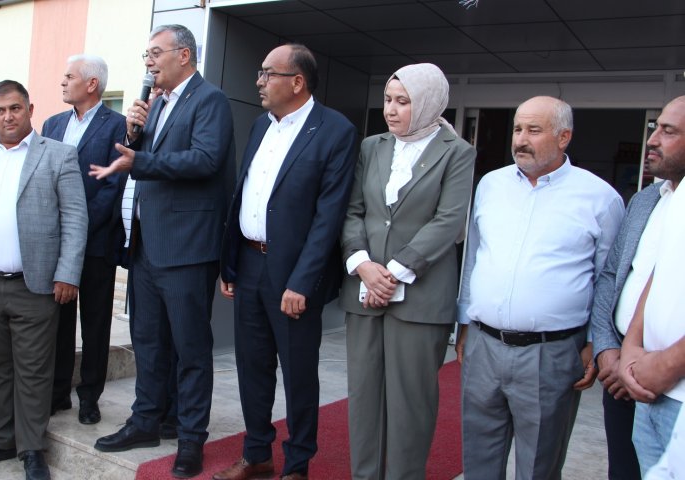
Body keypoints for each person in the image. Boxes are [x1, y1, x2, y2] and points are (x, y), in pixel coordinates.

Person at [90, 24, 234, 479]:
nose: (149, 62)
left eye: (156, 53)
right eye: (146, 55)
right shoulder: (157, 103)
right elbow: (144, 157)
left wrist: (141, 159)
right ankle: (146, 421)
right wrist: (135, 133)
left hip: (187, 247)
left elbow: (205, 160)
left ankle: (190, 438)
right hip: (146, 244)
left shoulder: (209, 100)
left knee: (190, 349)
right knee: (149, 341)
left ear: (184, 55)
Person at [456, 96, 625, 479]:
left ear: (564, 137)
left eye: (534, 130)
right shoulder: (491, 185)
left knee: (539, 467)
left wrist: (596, 343)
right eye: (518, 129)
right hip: (483, 346)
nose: (520, 139)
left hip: (551, 354)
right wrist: (464, 321)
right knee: (478, 460)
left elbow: (608, 280)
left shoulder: (600, 198)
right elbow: (474, 258)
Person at [213, 44, 357, 480]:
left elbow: (328, 216)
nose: (258, 81)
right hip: (249, 265)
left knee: (298, 374)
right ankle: (257, 454)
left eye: (267, 73)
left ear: (297, 82)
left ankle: (297, 465)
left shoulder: (335, 130)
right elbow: (246, 194)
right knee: (252, 367)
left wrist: (302, 282)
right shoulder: (261, 126)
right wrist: (230, 264)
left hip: (294, 276)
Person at [340, 63, 475, 480]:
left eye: (403, 101)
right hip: (364, 291)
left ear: (429, 103)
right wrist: (363, 265)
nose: (391, 110)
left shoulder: (457, 152)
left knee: (410, 403)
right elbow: (353, 211)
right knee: (363, 397)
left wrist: (393, 273)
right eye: (387, 100)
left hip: (421, 298)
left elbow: (448, 221)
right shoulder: (371, 147)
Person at [0, 80, 87, 480]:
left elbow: (75, 218)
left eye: (15, 108)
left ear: (30, 109)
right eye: (0, 110)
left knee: (33, 371)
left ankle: (31, 449)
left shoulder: (58, 155)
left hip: (35, 284)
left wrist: (67, 273)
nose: (8, 117)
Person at [591, 96, 685, 479]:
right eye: (654, 128)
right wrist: (610, 351)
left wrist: (660, 366)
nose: (653, 140)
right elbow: (613, 277)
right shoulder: (647, 200)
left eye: (668, 131)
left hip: (671, 385)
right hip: (621, 378)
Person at [40, 54, 126, 425]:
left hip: (96, 241)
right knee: (58, 323)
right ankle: (58, 393)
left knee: (94, 324)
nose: (62, 82)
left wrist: (77, 228)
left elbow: (113, 187)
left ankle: (89, 397)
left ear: (92, 84)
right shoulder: (52, 124)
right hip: (56, 243)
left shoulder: (117, 126)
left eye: (69, 76)